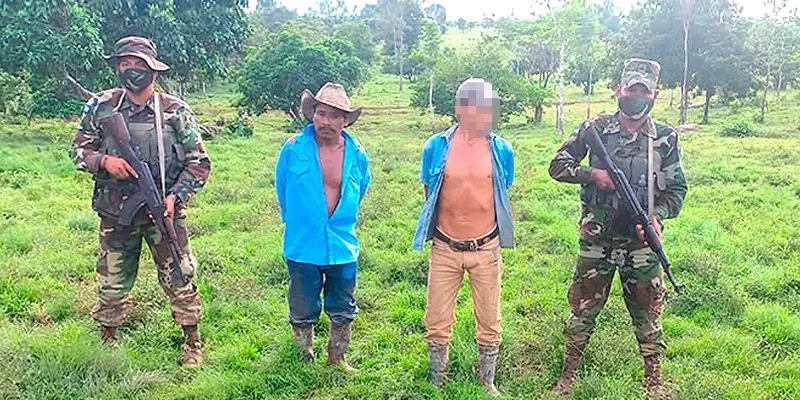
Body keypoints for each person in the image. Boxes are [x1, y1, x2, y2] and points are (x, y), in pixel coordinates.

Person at [548, 58, 688, 398]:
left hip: (641, 245)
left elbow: (676, 191)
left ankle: (653, 382)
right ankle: (568, 377)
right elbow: (557, 166)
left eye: (644, 90)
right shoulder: (595, 128)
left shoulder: (664, 138)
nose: (636, 96)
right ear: (618, 91)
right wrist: (592, 174)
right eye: (631, 89)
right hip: (596, 242)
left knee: (648, 315)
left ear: (654, 95)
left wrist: (657, 218)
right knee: (582, 311)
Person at [69, 36, 211, 367]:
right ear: (117, 67)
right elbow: (77, 150)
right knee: (112, 278)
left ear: (153, 70)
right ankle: (108, 338)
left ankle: (192, 341)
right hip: (116, 214)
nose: (131, 70)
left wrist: (177, 196)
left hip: (164, 212)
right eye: (124, 63)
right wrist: (105, 162)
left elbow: (199, 163)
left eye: (139, 64)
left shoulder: (174, 110)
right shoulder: (101, 106)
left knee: (179, 273)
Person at [412, 78, 515, 396]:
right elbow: (431, 193)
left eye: (487, 105)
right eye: (475, 105)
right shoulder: (435, 147)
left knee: (490, 316)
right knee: (436, 317)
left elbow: (501, 192)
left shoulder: (501, 150)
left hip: (487, 246)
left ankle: (487, 380)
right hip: (445, 246)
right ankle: (437, 378)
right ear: (459, 108)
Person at [275, 82, 372, 370]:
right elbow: (282, 189)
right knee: (303, 306)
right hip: (302, 243)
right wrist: (298, 220)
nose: (326, 121)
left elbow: (361, 187)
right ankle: (304, 355)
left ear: (345, 120)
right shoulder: (293, 149)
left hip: (342, 244)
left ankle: (337, 357)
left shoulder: (357, 153)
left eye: (334, 115)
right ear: (312, 114)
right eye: (320, 113)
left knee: (343, 306)